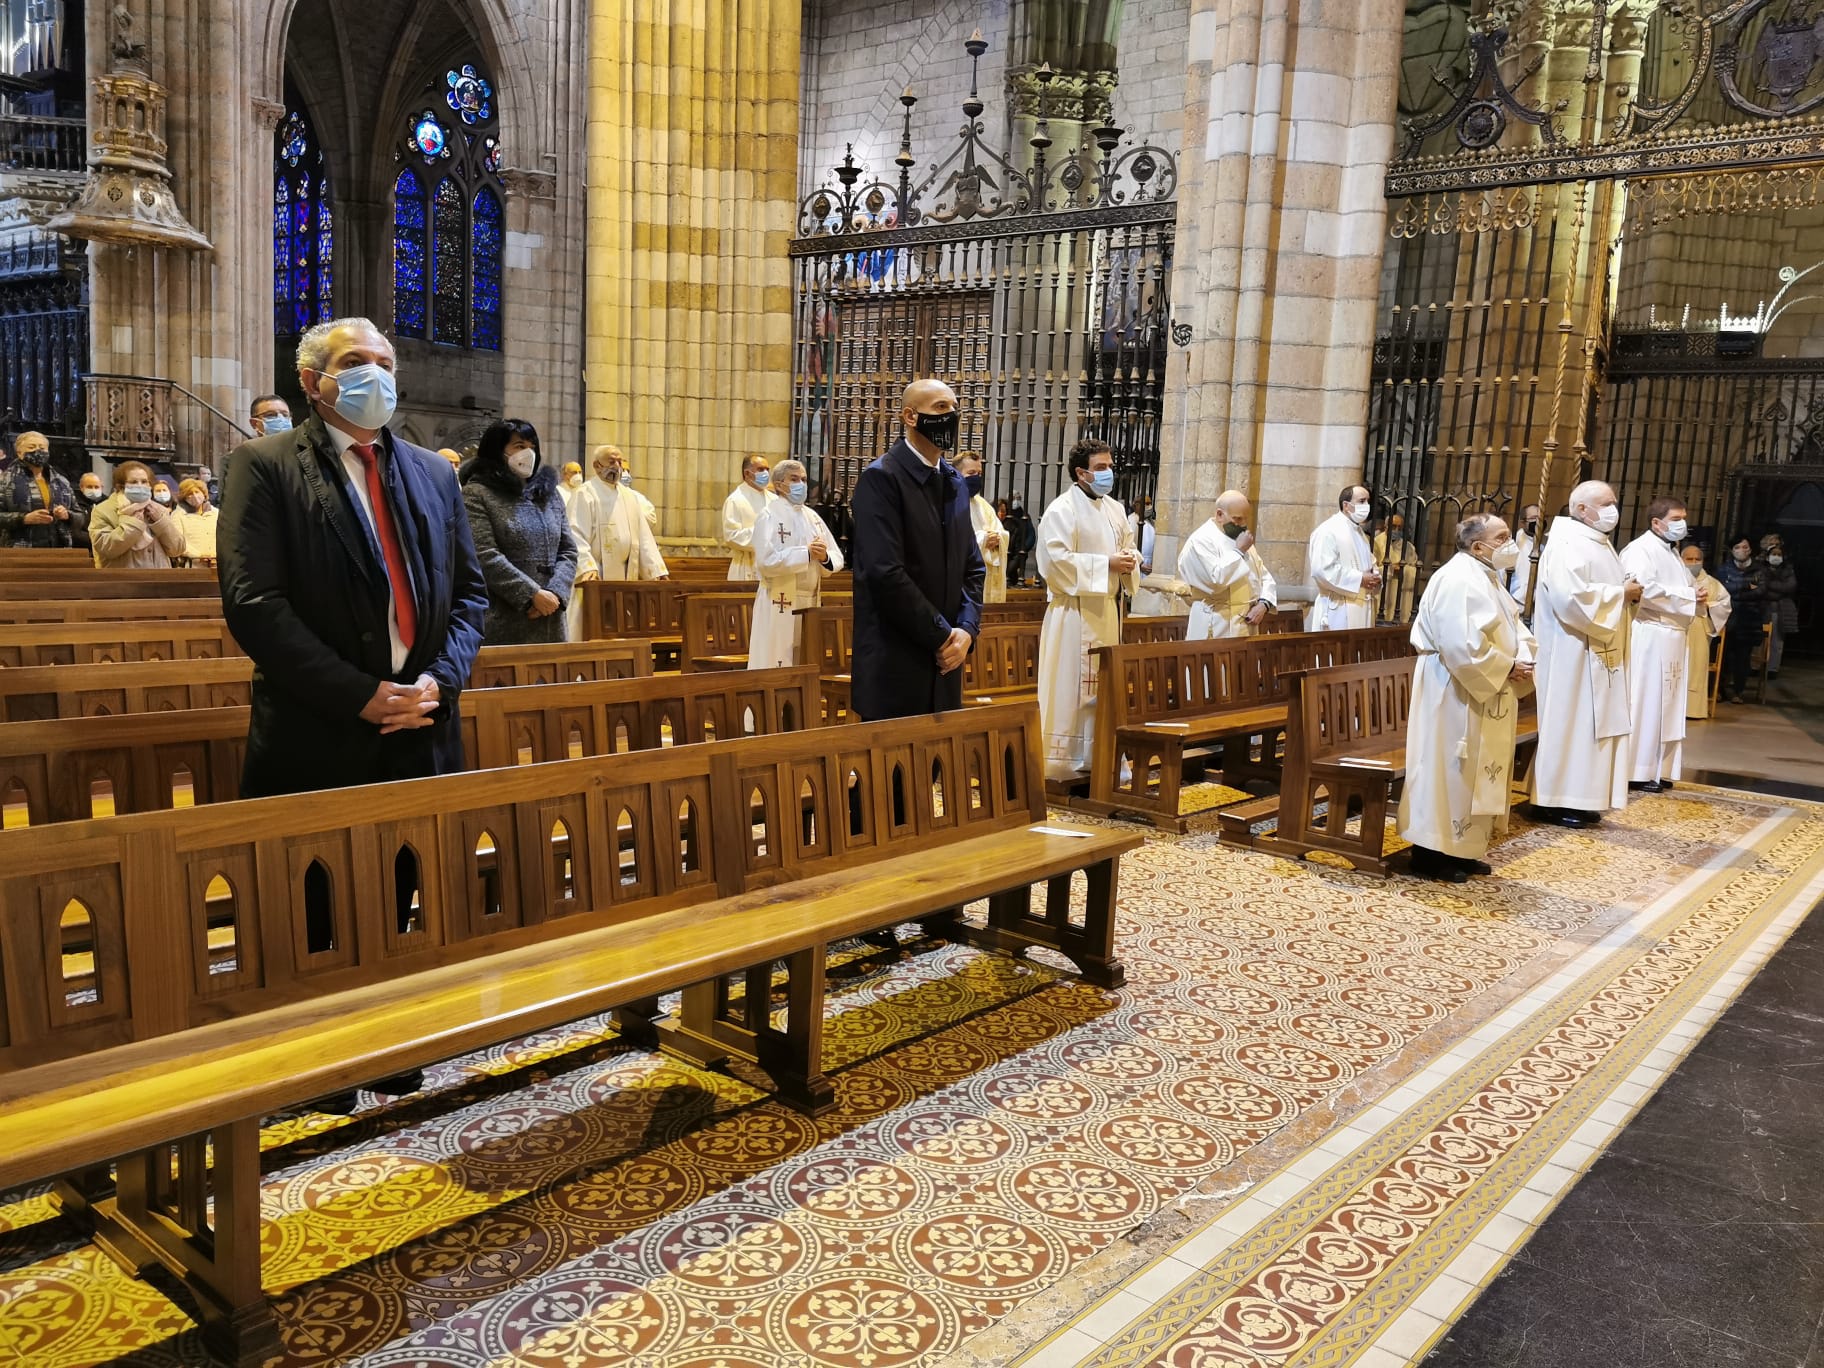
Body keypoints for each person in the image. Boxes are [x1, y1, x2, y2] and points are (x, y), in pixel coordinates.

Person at [1398, 513, 1536, 883]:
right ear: (1478, 546)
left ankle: (1463, 848)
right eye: (1502, 536)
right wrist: (1506, 666)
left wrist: (1521, 657)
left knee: (1475, 770)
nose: (1510, 544)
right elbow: (1459, 645)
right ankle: (1429, 854)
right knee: (1448, 769)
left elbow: (1515, 625)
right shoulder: (1458, 580)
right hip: (1452, 689)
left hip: (1480, 688)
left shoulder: (1486, 577)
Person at [849, 377, 984, 719]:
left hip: (946, 662)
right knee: (887, 771)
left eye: (955, 408)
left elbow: (973, 567)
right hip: (896, 660)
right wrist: (942, 635)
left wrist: (966, 631)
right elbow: (885, 573)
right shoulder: (882, 479)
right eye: (940, 408)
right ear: (910, 417)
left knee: (936, 768)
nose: (951, 416)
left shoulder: (954, 482)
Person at [1528, 480, 1642, 827]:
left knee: (1591, 726)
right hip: (1571, 650)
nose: (1613, 510)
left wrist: (1626, 592)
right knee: (1570, 723)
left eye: (1613, 502)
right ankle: (1553, 799)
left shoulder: (1597, 542)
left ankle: (1581, 796)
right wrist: (1620, 593)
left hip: (1597, 647)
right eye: (1606, 503)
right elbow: (1570, 599)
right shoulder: (1566, 544)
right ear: (1581, 509)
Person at [1036, 437, 1141, 783]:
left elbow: (1129, 546)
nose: (1109, 472)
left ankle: (1101, 758)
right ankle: (1062, 762)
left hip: (1106, 613)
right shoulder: (1061, 510)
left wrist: (1129, 560)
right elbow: (1054, 562)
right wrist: (1107, 563)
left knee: (1103, 690)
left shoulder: (1114, 508)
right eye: (1101, 468)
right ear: (1081, 473)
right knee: (1072, 689)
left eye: (1110, 466)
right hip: (1073, 614)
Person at [462, 418, 579, 646]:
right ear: (497, 450)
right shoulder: (477, 494)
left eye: (532, 447)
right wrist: (531, 595)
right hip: (503, 618)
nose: (528, 454)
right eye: (519, 446)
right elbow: (484, 554)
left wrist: (555, 593)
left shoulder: (549, 494)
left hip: (551, 617)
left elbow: (568, 550)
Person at [1620, 496, 1701, 791]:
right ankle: (1637, 770)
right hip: (1651, 635)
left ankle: (1660, 768)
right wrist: (1690, 598)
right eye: (1676, 519)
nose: (1683, 525)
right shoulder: (1640, 550)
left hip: (1673, 638)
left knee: (1669, 705)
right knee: (1647, 703)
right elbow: (1642, 590)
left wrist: (1697, 595)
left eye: (1684, 518)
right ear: (1657, 522)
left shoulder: (1672, 552)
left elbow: (1684, 588)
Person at [750, 459, 844, 668]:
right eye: (794, 479)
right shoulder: (768, 515)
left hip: (810, 601)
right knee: (776, 659)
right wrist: (806, 554)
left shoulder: (813, 517)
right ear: (778, 484)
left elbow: (836, 556)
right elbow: (766, 561)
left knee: (804, 659)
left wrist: (824, 558)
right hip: (780, 599)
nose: (801, 484)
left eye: (803, 479)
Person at [1178, 490, 1275, 639]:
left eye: (1245, 519)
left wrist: (1264, 603)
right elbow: (1215, 581)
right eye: (1237, 518)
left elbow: (1263, 574)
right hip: (1215, 623)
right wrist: (1238, 551)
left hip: (1246, 624)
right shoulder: (1201, 540)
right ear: (1219, 514)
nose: (1242, 524)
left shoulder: (1239, 539)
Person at [568, 443, 667, 581]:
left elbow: (644, 538)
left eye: (619, 462)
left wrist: (657, 570)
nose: (616, 466)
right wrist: (587, 566)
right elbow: (575, 534)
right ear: (597, 466)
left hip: (627, 575)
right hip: (596, 574)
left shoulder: (630, 496)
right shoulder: (584, 494)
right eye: (611, 461)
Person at [1305, 484, 1382, 630]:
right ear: (1346, 506)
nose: (1366, 506)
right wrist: (1360, 579)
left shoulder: (1359, 533)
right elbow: (1322, 570)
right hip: (1338, 608)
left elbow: (1371, 563)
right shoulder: (1328, 530)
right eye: (1361, 501)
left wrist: (1375, 577)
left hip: (1362, 605)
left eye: (1368, 501)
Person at [90, 461, 186, 568]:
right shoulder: (103, 510)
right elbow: (106, 549)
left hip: (159, 579)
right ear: (121, 486)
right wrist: (133, 524)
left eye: (144, 481)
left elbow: (177, 549)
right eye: (134, 482)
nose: (140, 486)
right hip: (124, 581)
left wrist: (160, 522)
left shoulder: (158, 509)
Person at [0, 431, 84, 550]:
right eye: (31, 447)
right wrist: (23, 518)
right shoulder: (4, 480)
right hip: (18, 550)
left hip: (58, 548)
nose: (38, 451)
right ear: (19, 453)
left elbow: (80, 516)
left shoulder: (60, 481)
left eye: (42, 447)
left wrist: (67, 515)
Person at [1682, 542, 1731, 720]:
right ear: (1681, 560)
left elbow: (1725, 605)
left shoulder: (1712, 583)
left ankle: (1692, 710)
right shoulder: (1674, 579)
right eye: (1689, 559)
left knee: (1695, 669)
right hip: (1676, 629)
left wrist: (1706, 606)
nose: (1694, 562)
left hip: (1699, 630)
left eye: (1697, 559)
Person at [1716, 534, 1765, 704]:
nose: (1741, 551)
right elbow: (1722, 590)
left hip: (1749, 619)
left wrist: (1737, 590)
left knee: (1743, 658)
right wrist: (1746, 586)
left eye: (1745, 547)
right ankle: (1719, 690)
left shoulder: (1759, 570)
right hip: (1728, 618)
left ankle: (1738, 691)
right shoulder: (1724, 569)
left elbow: (1760, 591)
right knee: (1723, 656)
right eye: (1737, 547)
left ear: (1750, 549)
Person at [955, 451, 1007, 603]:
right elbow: (952, 539)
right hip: (963, 581)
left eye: (979, 473)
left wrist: (997, 539)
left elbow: (1001, 532)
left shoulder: (983, 505)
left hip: (986, 576)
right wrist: (983, 539)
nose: (976, 477)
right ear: (957, 474)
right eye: (971, 473)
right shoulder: (948, 502)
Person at [720, 454, 774, 580]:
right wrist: (764, 534)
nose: (766, 473)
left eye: (767, 469)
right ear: (747, 473)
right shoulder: (735, 500)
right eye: (761, 470)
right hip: (746, 567)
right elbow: (731, 536)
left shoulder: (774, 500)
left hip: (771, 566)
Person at [1758, 533, 1796, 680]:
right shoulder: (1759, 568)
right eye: (1773, 554)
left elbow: (1790, 587)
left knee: (1776, 640)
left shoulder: (1787, 569)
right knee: (1758, 639)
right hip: (1761, 607)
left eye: (1778, 554)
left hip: (1779, 610)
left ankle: (1772, 668)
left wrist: (1768, 586)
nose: (1776, 556)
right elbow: (1753, 586)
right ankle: (1755, 666)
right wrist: (1772, 589)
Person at [1372, 511, 1420, 623]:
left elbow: (1416, 571)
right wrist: (1390, 569)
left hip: (1401, 596)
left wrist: (1404, 570)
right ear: (1386, 527)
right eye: (1393, 526)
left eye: (1400, 527)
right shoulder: (1376, 544)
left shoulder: (1408, 547)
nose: (1397, 530)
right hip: (1383, 594)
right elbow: (1371, 570)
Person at [174, 477, 220, 564]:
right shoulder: (177, 515)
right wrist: (199, 555)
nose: (195, 496)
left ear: (204, 494)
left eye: (197, 492)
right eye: (190, 494)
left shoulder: (216, 513)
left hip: (216, 563)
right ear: (184, 497)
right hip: (193, 565)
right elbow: (178, 542)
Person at [1508, 502, 1541, 608]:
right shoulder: (1515, 542)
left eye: (1540, 517)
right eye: (1533, 518)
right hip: (1520, 602)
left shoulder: (1548, 541)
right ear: (1523, 522)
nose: (1538, 521)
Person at [618, 459, 659, 530]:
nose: (627, 476)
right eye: (623, 471)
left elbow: (651, 517)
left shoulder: (636, 496)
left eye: (627, 471)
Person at [1005, 494, 1036, 584]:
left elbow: (1031, 535)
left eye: (1018, 498)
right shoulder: (1006, 513)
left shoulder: (1024, 515)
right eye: (1013, 498)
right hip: (1007, 549)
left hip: (1019, 550)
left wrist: (1024, 548)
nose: (1016, 501)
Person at [73, 470, 104, 552]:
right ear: (81, 487)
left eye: (96, 487)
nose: (93, 490)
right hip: (81, 549)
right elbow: (76, 531)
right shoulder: (74, 504)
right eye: (89, 487)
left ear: (102, 487)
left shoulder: (107, 503)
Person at [1128, 494, 1157, 576]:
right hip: (1136, 565)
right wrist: (1139, 565)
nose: (1150, 506)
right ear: (1137, 505)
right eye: (1146, 503)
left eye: (1150, 503)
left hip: (1150, 566)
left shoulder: (1151, 523)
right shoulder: (1130, 521)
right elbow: (1127, 547)